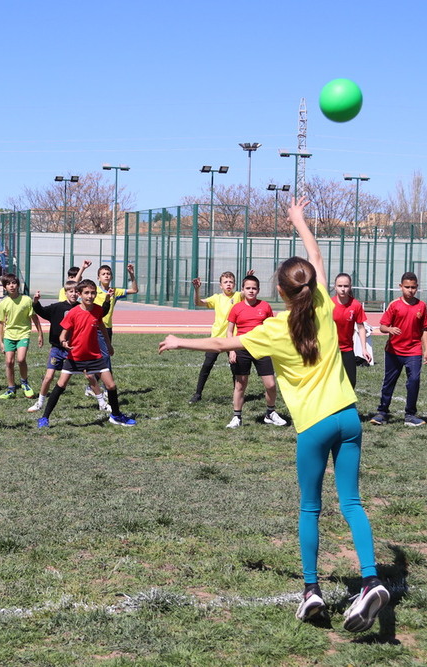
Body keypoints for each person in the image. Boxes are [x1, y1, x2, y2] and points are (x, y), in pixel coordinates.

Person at [159, 198, 390, 632]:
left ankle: (311, 590)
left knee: (310, 508)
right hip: (349, 418)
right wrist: (299, 221)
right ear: (310, 285)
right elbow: (317, 257)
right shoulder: (323, 303)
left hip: (315, 427)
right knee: (353, 503)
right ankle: (371, 579)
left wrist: (179, 340)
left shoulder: (272, 329)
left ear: (279, 292)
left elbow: (223, 345)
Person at [38, 279, 136, 428]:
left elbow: (101, 325)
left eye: (93, 293)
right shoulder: (73, 313)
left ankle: (116, 415)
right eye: (87, 293)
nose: (90, 296)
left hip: (94, 356)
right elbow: (63, 335)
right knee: (61, 385)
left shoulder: (97, 310)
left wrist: (108, 345)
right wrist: (64, 342)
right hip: (75, 356)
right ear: (79, 294)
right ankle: (44, 418)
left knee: (111, 386)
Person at [30, 282, 109, 414]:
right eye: (70, 291)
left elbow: (100, 314)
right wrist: (36, 303)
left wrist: (107, 301)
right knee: (49, 377)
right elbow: (42, 312)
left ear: (78, 294)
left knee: (90, 376)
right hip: (57, 348)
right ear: (65, 293)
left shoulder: (83, 308)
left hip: (75, 349)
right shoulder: (57, 307)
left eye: (74, 292)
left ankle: (102, 403)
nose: (73, 294)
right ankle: (40, 402)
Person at [225, 275, 287, 429]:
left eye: (254, 288)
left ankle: (270, 413)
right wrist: (231, 350)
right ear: (243, 290)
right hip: (241, 348)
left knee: (271, 384)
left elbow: (270, 329)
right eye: (248, 288)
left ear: (258, 290)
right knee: (240, 384)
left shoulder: (265, 306)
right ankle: (237, 417)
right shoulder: (236, 308)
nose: (251, 291)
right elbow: (229, 332)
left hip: (262, 348)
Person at [370, 272, 427, 427]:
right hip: (394, 351)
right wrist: (389, 330)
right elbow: (382, 326)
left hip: (414, 350)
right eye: (407, 287)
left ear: (417, 287)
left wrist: (426, 350)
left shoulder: (421, 306)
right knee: (389, 381)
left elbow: (424, 329)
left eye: (413, 287)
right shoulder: (394, 305)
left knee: (414, 380)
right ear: (400, 287)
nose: (410, 290)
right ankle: (382, 412)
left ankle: (410, 414)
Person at [188, 271, 242, 403]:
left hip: (232, 339)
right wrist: (197, 290)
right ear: (220, 285)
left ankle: (238, 395)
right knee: (207, 365)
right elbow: (198, 303)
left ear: (234, 284)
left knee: (236, 368)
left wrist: (247, 278)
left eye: (231, 282)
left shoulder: (238, 296)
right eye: (225, 282)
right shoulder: (216, 298)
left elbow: (248, 292)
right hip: (216, 339)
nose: (228, 284)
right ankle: (198, 394)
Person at [0, 273, 43, 399]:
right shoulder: (3, 303)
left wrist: (40, 334)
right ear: (5, 287)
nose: (11, 286)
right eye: (8, 284)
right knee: (9, 362)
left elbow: (34, 318)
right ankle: (11, 389)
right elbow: (0, 323)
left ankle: (24, 383)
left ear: (18, 285)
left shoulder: (26, 300)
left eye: (13, 283)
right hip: (9, 335)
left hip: (23, 334)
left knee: (21, 360)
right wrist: (0, 342)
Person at [332, 273, 372, 388]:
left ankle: (348, 406)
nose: (343, 289)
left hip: (347, 349)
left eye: (346, 286)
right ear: (335, 287)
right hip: (331, 350)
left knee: (351, 382)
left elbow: (361, 327)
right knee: (332, 383)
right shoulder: (329, 304)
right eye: (340, 286)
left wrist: (364, 349)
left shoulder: (355, 305)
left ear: (350, 287)